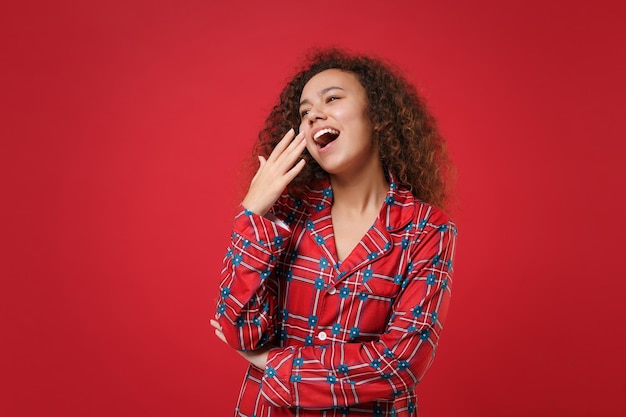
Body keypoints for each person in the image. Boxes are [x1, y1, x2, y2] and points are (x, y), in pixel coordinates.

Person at [210, 48, 457, 417]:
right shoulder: (285, 214)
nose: (314, 116)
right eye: (305, 113)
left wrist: (270, 363)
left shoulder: (427, 230)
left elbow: (398, 364)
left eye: (332, 99)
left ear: (377, 116)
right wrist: (253, 211)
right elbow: (241, 331)